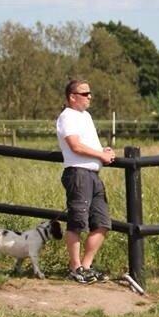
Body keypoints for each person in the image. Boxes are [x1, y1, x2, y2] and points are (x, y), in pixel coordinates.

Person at [56, 79, 115, 284]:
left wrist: (103, 151)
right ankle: (74, 267)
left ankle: (86, 266)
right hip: (78, 173)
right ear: (72, 97)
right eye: (85, 93)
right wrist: (100, 154)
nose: (90, 96)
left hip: (93, 174)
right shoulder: (67, 117)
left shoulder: (86, 117)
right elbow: (75, 146)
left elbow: (88, 144)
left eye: (90, 93)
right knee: (77, 221)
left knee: (102, 222)